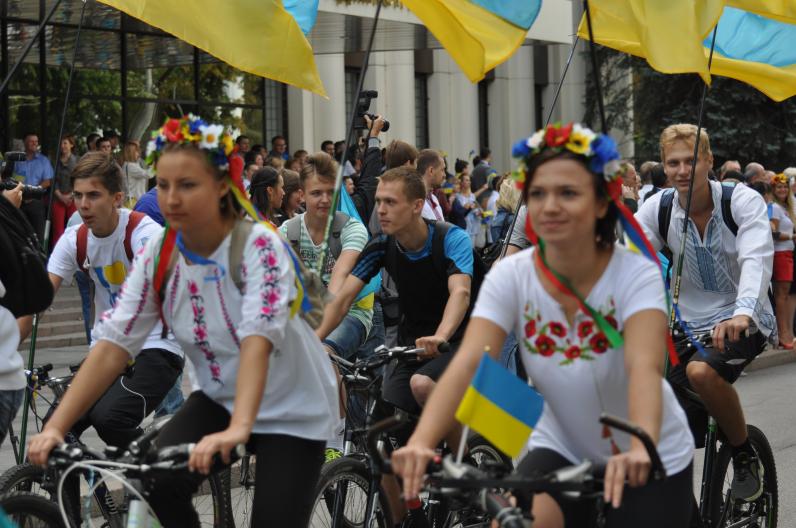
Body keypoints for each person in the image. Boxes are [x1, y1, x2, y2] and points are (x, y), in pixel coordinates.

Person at [28, 116, 338, 528]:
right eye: (164, 184)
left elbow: (257, 339)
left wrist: (241, 428)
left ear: (221, 187)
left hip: (291, 406)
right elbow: (113, 346)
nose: (172, 197)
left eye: (187, 185)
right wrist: (57, 426)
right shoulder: (160, 253)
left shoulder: (257, 244)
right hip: (220, 396)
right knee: (154, 479)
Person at [392, 123, 694, 528]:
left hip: (645, 446)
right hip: (562, 445)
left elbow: (643, 366)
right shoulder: (511, 276)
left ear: (601, 203)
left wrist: (639, 445)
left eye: (568, 192)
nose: (550, 206)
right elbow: (467, 363)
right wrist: (423, 441)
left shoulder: (633, 273)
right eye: (538, 193)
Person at [636, 124, 773, 502]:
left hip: (744, 317)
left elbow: (755, 257)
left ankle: (744, 454)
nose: (682, 170)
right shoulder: (658, 208)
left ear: (708, 160)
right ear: (664, 166)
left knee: (701, 371)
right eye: (673, 162)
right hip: (687, 324)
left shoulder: (739, 200)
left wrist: (742, 313)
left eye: (691, 160)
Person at [24, 152, 185, 450]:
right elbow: (40, 299)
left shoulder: (145, 233)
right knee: (54, 431)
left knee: (109, 419)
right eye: (78, 195)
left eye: (94, 195)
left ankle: (163, 477)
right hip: (107, 350)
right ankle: (74, 497)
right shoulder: (74, 239)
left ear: (117, 198)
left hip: (156, 346)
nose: (83, 204)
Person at [770, 173, 795, 348]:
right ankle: (783, 336)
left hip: (787, 254)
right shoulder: (773, 207)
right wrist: (792, 236)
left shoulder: (785, 208)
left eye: (785, 187)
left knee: (784, 296)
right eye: (779, 187)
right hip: (780, 254)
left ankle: (786, 335)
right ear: (773, 189)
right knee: (781, 296)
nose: (783, 190)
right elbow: (773, 233)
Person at [14, 132, 53, 241]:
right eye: (32, 141)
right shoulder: (18, 159)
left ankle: (39, 257)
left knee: (38, 234)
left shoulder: (43, 160)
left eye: (36, 141)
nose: (35, 143)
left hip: (36, 200)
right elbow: (13, 179)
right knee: (19, 232)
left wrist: (32, 192)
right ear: (25, 142)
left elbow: (47, 182)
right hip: (19, 199)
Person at [52, 135, 78, 248]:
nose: (63, 146)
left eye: (65, 143)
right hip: (58, 198)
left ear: (71, 145)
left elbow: (79, 179)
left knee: (75, 228)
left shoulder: (77, 160)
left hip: (74, 198)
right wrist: (61, 196)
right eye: (61, 143)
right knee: (58, 231)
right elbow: (53, 181)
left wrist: (71, 195)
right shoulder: (55, 161)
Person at [417, 149, 446, 221]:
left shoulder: (434, 199)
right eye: (442, 170)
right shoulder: (415, 203)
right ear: (431, 171)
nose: (444, 175)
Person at [120, 141, 149, 207]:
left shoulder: (127, 164)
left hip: (133, 199)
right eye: (136, 151)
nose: (139, 153)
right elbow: (148, 174)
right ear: (131, 153)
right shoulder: (131, 166)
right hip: (135, 200)